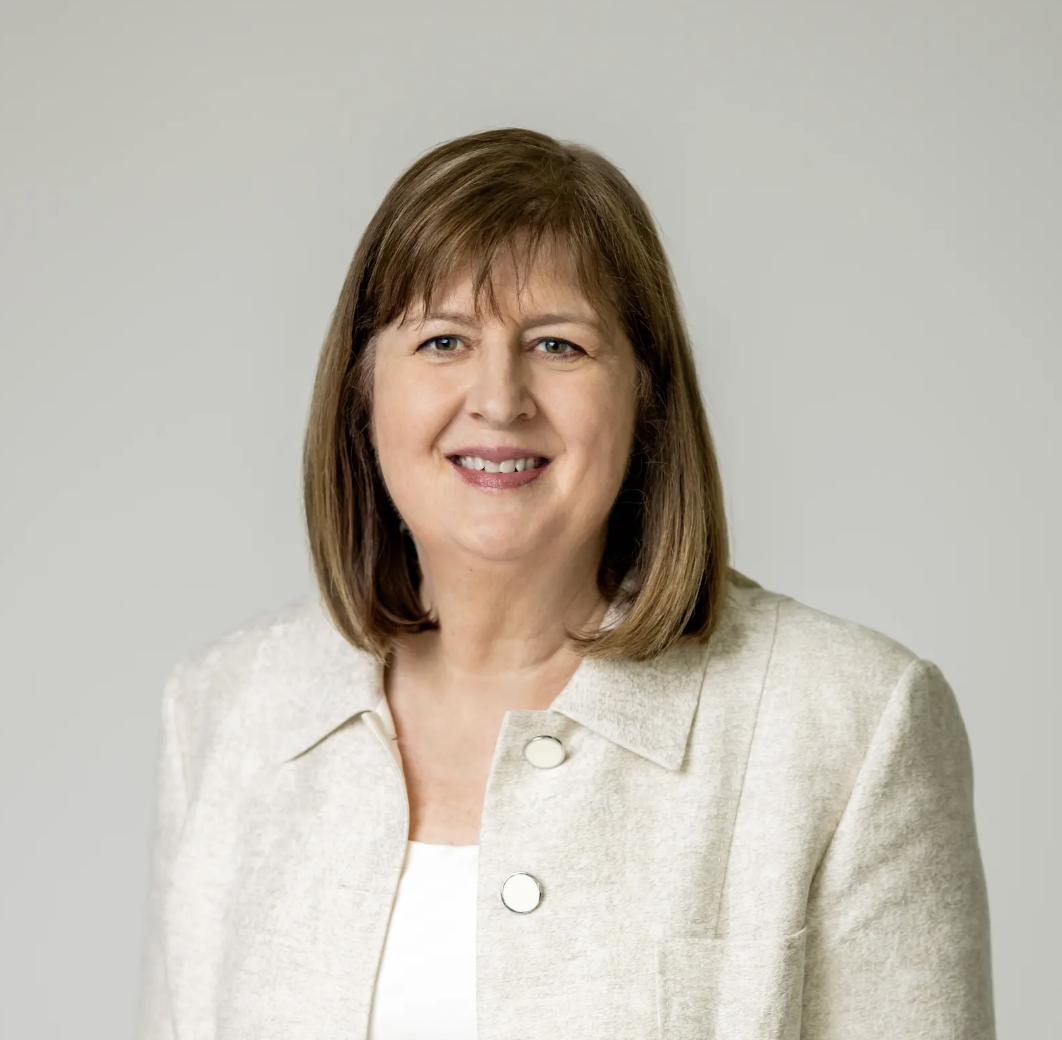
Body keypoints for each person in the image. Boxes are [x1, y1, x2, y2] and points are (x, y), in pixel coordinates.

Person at [135, 127, 995, 1039]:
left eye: (557, 345)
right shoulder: (223, 713)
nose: (498, 399)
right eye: (442, 340)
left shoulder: (849, 726)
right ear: (362, 387)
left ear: (645, 392)